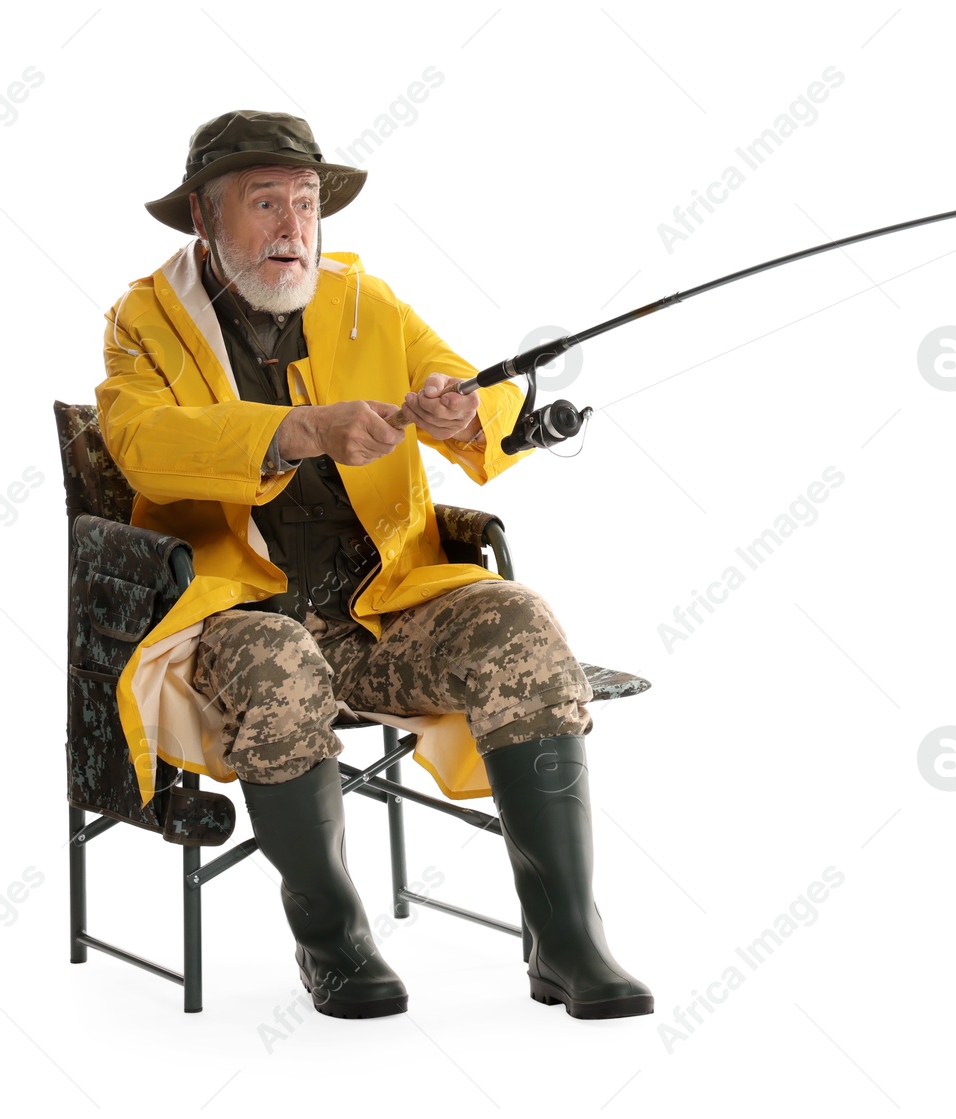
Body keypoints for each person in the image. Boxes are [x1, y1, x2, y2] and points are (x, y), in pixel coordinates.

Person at [96, 109, 651, 1021]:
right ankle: (334, 940)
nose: (292, 228)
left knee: (521, 620)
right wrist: (301, 428)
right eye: (264, 202)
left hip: (383, 613)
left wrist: (459, 413)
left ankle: (569, 940)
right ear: (204, 216)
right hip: (236, 618)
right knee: (280, 664)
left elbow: (487, 391)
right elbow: (143, 443)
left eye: (306, 204)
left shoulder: (367, 302)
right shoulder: (141, 323)